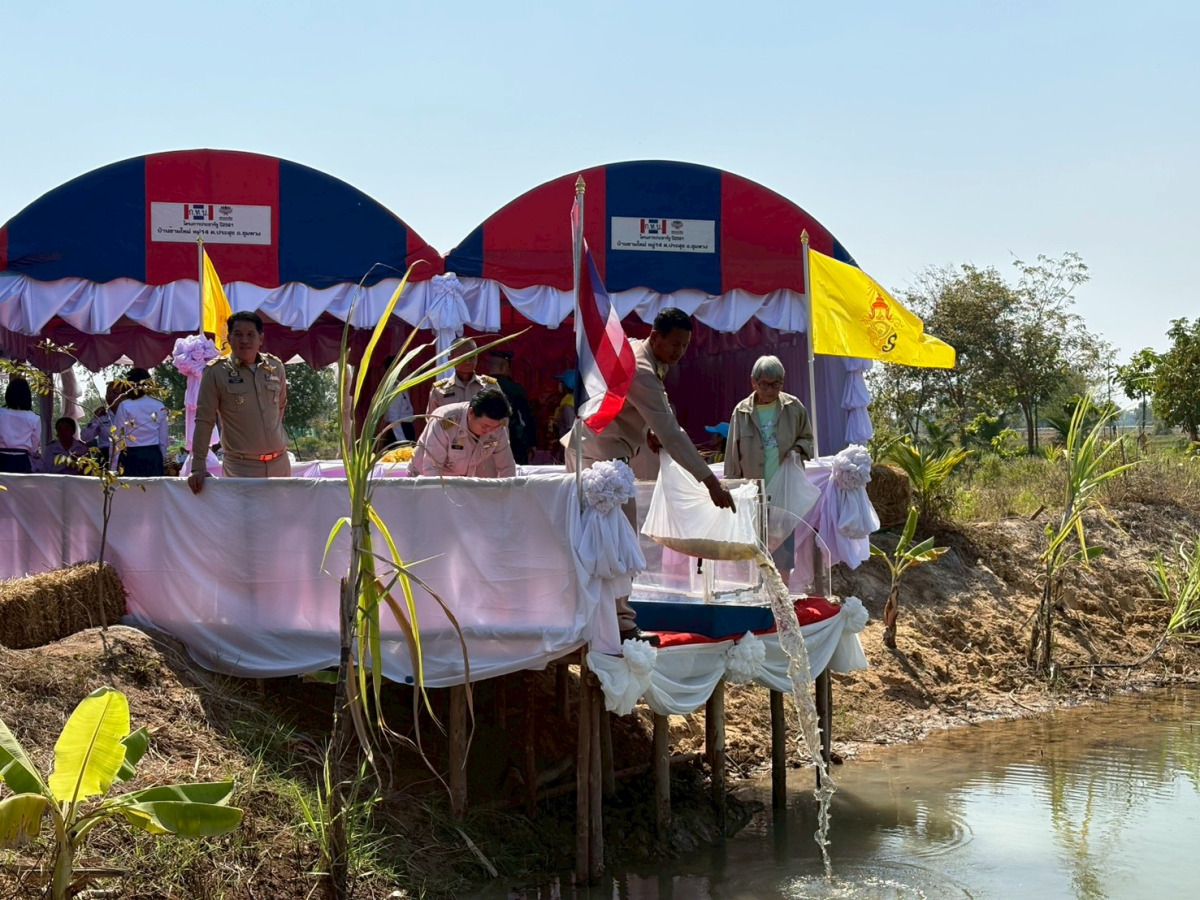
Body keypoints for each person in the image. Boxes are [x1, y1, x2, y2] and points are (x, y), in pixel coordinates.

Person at [563, 307, 736, 644]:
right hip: (601, 461)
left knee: (595, 541)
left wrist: (645, 431)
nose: (679, 352)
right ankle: (623, 626)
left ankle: (594, 619)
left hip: (592, 449)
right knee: (618, 541)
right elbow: (670, 431)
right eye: (674, 344)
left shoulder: (634, 349)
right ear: (655, 336)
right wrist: (709, 480)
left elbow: (635, 410)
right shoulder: (642, 369)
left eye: (685, 346)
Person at [723, 354, 814, 586]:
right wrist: (732, 492)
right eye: (764, 384)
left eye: (776, 384)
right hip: (752, 496)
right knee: (751, 551)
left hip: (784, 497)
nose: (770, 390)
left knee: (782, 555)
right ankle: (754, 598)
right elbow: (732, 457)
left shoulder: (794, 407)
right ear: (753, 382)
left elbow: (808, 439)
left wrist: (797, 448)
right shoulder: (741, 412)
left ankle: (780, 602)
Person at [189, 311, 290, 494]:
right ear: (229, 338)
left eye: (250, 334)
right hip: (241, 468)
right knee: (244, 522)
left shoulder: (276, 367)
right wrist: (197, 467)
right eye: (238, 334)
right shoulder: (215, 372)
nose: (245, 340)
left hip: (280, 465)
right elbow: (204, 421)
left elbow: (280, 407)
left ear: (261, 338)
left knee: (281, 521)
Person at [409, 389, 517, 478]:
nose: (490, 431)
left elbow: (507, 467)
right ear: (471, 413)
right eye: (485, 426)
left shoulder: (496, 427)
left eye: (495, 427)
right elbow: (432, 469)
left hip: (461, 480)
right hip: (424, 478)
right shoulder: (445, 422)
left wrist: (507, 496)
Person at [112, 368, 170, 477]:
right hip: (153, 455)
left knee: (132, 492)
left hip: (132, 456)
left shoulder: (125, 405)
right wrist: (160, 460)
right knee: (153, 492)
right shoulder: (159, 406)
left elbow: (117, 438)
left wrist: (113, 467)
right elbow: (163, 439)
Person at [425, 338, 499, 416]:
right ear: (451, 359)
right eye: (462, 357)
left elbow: (502, 419)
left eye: (472, 356)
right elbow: (432, 421)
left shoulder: (490, 387)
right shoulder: (439, 390)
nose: (468, 361)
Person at [488, 349, 536, 464]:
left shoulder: (480, 386)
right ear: (504, 367)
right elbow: (527, 416)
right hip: (514, 441)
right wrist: (532, 442)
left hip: (486, 440)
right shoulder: (515, 388)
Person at [0, 378, 41, 473]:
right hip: (22, 460)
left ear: (8, 394)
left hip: (1, 458)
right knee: (20, 487)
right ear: (27, 396)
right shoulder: (34, 418)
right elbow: (34, 444)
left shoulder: (1, 413)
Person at [81, 383, 123, 465]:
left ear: (123, 396)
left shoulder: (129, 414)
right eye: (108, 393)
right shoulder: (102, 415)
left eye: (115, 393)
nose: (110, 396)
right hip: (105, 456)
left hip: (124, 453)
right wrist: (95, 418)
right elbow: (85, 437)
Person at [380, 356, 416, 445]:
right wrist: (402, 441)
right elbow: (394, 419)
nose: (410, 369)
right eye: (407, 366)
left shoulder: (401, 387)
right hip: (399, 433)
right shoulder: (394, 390)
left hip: (405, 429)